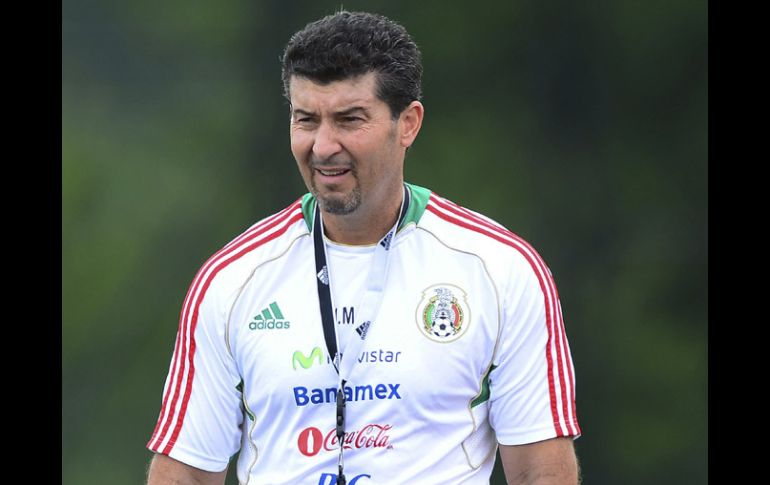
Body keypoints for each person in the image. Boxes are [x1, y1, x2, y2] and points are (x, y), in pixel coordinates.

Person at [146, 10, 581, 485]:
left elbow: (540, 473)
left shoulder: (500, 269)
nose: (323, 146)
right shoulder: (232, 279)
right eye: (306, 120)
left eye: (349, 120)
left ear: (408, 123)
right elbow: (184, 473)